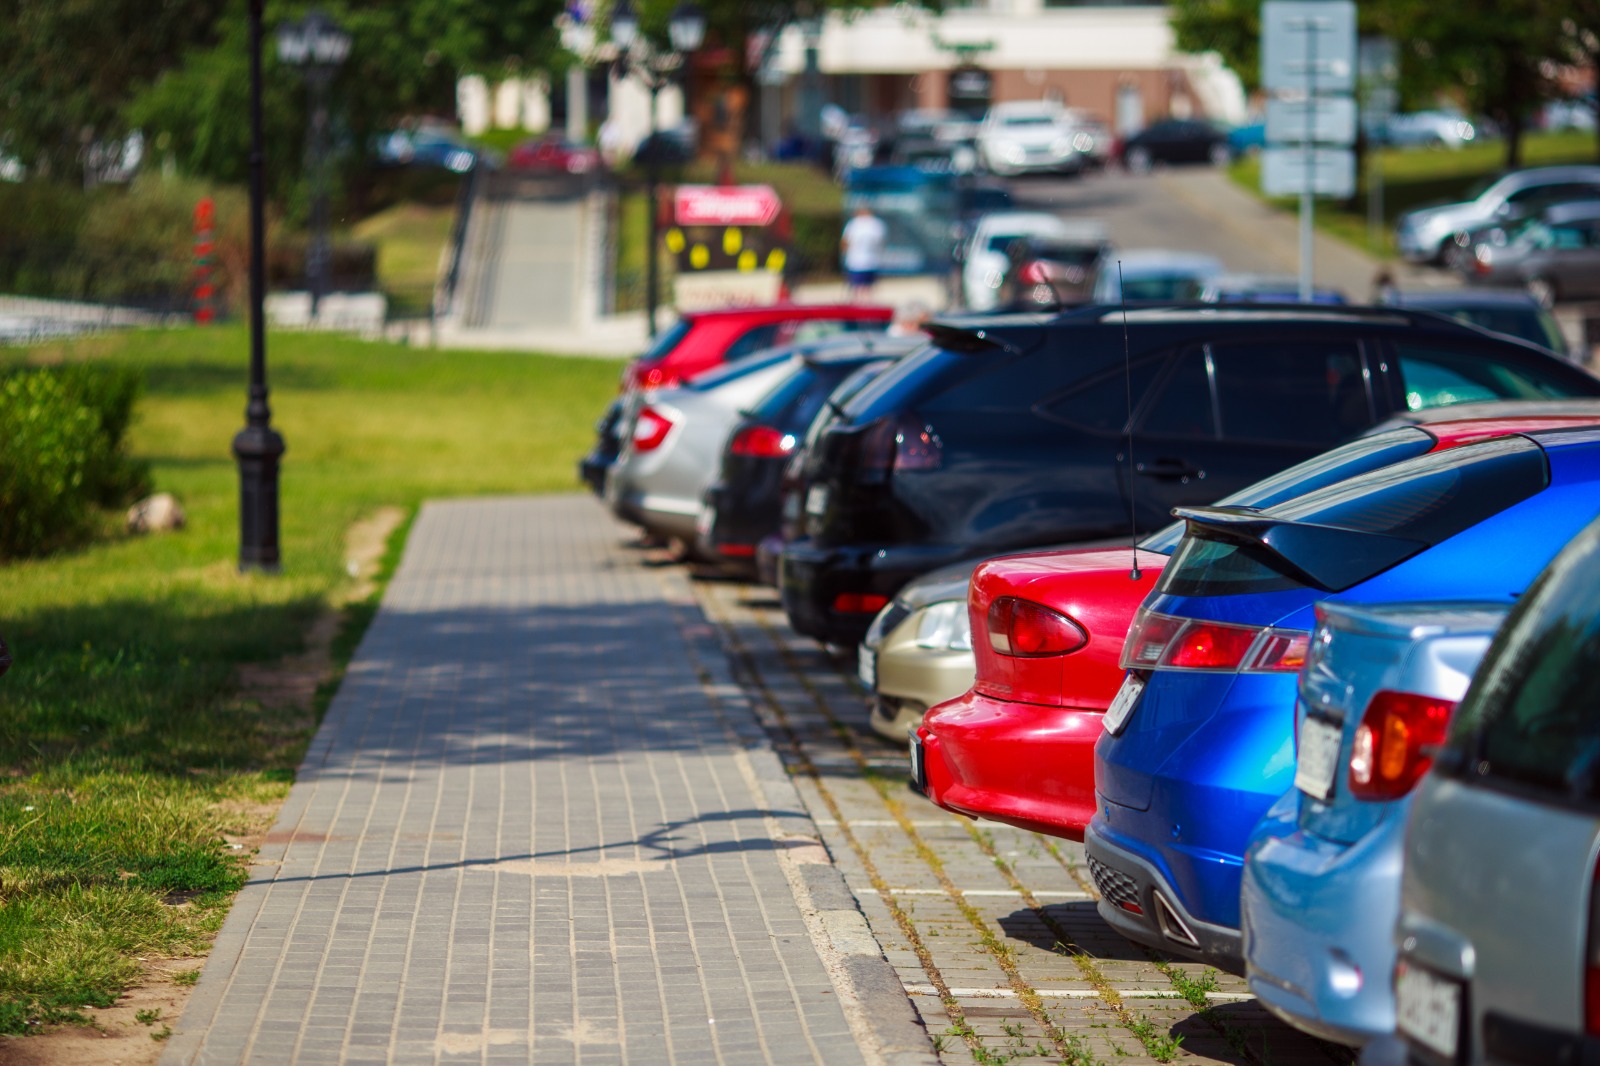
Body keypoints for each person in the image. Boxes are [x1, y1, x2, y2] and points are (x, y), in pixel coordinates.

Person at [840, 205, 887, 302]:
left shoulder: (853, 224)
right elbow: (881, 242)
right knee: (867, 289)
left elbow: (845, 242)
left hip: (856, 260)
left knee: (857, 288)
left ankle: (859, 307)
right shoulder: (877, 224)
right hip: (871, 260)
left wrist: (845, 254)